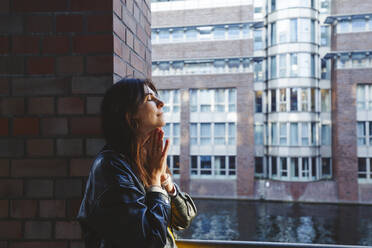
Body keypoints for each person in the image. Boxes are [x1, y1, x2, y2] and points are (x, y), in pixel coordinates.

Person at [77, 78, 197, 248]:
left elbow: (184, 220)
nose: (161, 103)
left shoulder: (145, 161)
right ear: (129, 115)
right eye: (150, 99)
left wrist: (166, 183)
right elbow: (149, 241)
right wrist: (155, 185)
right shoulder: (110, 167)